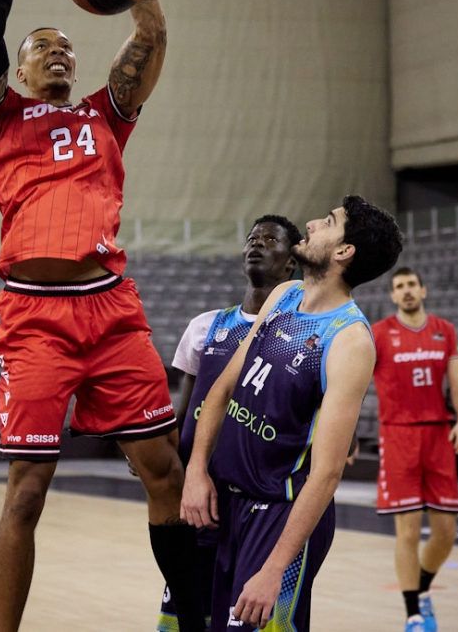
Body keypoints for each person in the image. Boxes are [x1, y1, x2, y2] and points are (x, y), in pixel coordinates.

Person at [0, 0, 204, 632]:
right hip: (35, 317)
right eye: (44, 48)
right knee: (28, 488)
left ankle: (187, 616)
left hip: (110, 309)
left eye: (67, 45)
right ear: (22, 71)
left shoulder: (108, 115)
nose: (60, 52)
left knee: (161, 471)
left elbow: (152, 37)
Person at [181, 195, 403, 632]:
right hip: (229, 504)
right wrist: (195, 470)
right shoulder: (284, 295)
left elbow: (327, 473)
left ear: (344, 252)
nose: (313, 223)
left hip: (280, 515)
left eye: (330, 221)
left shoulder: (349, 340)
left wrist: (274, 568)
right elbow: (222, 389)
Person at [157, 214, 302, 632]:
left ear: (291, 262)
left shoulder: (298, 336)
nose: (256, 244)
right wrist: (160, 450)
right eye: (251, 238)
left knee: (244, 622)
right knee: (186, 620)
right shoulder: (206, 326)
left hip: (259, 503)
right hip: (199, 500)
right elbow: (184, 415)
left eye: (270, 239)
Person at [372, 267, 458, 632]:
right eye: (400, 287)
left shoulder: (444, 330)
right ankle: (413, 614)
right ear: (393, 296)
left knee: (446, 531)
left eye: (412, 284)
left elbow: (457, 381)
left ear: (423, 290)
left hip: (438, 435)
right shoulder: (379, 334)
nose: (407, 291)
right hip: (398, 436)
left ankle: (424, 587)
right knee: (408, 531)